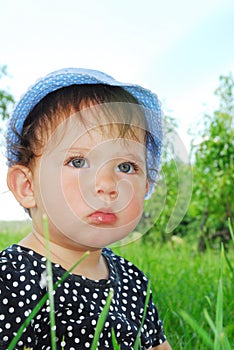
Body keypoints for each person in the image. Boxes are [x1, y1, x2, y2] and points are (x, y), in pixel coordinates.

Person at [0, 68, 171, 349]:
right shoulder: (11, 281)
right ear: (27, 187)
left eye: (125, 167)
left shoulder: (133, 281)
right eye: (78, 162)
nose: (106, 184)